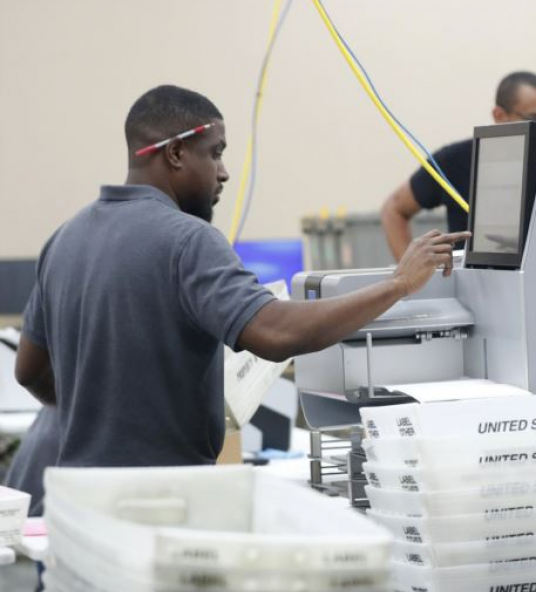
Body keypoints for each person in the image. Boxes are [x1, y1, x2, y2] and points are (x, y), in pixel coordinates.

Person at [14, 85, 468, 469]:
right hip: (164, 498)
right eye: (215, 154)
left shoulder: (64, 239)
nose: (224, 172)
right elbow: (275, 332)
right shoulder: (187, 240)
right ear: (175, 153)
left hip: (78, 500)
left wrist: (91, 418)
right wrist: (398, 284)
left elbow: (29, 369)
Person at [380, 71, 536, 259]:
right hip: (473, 285)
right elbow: (394, 209)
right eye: (535, 118)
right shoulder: (453, 160)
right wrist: (410, 279)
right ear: (499, 115)